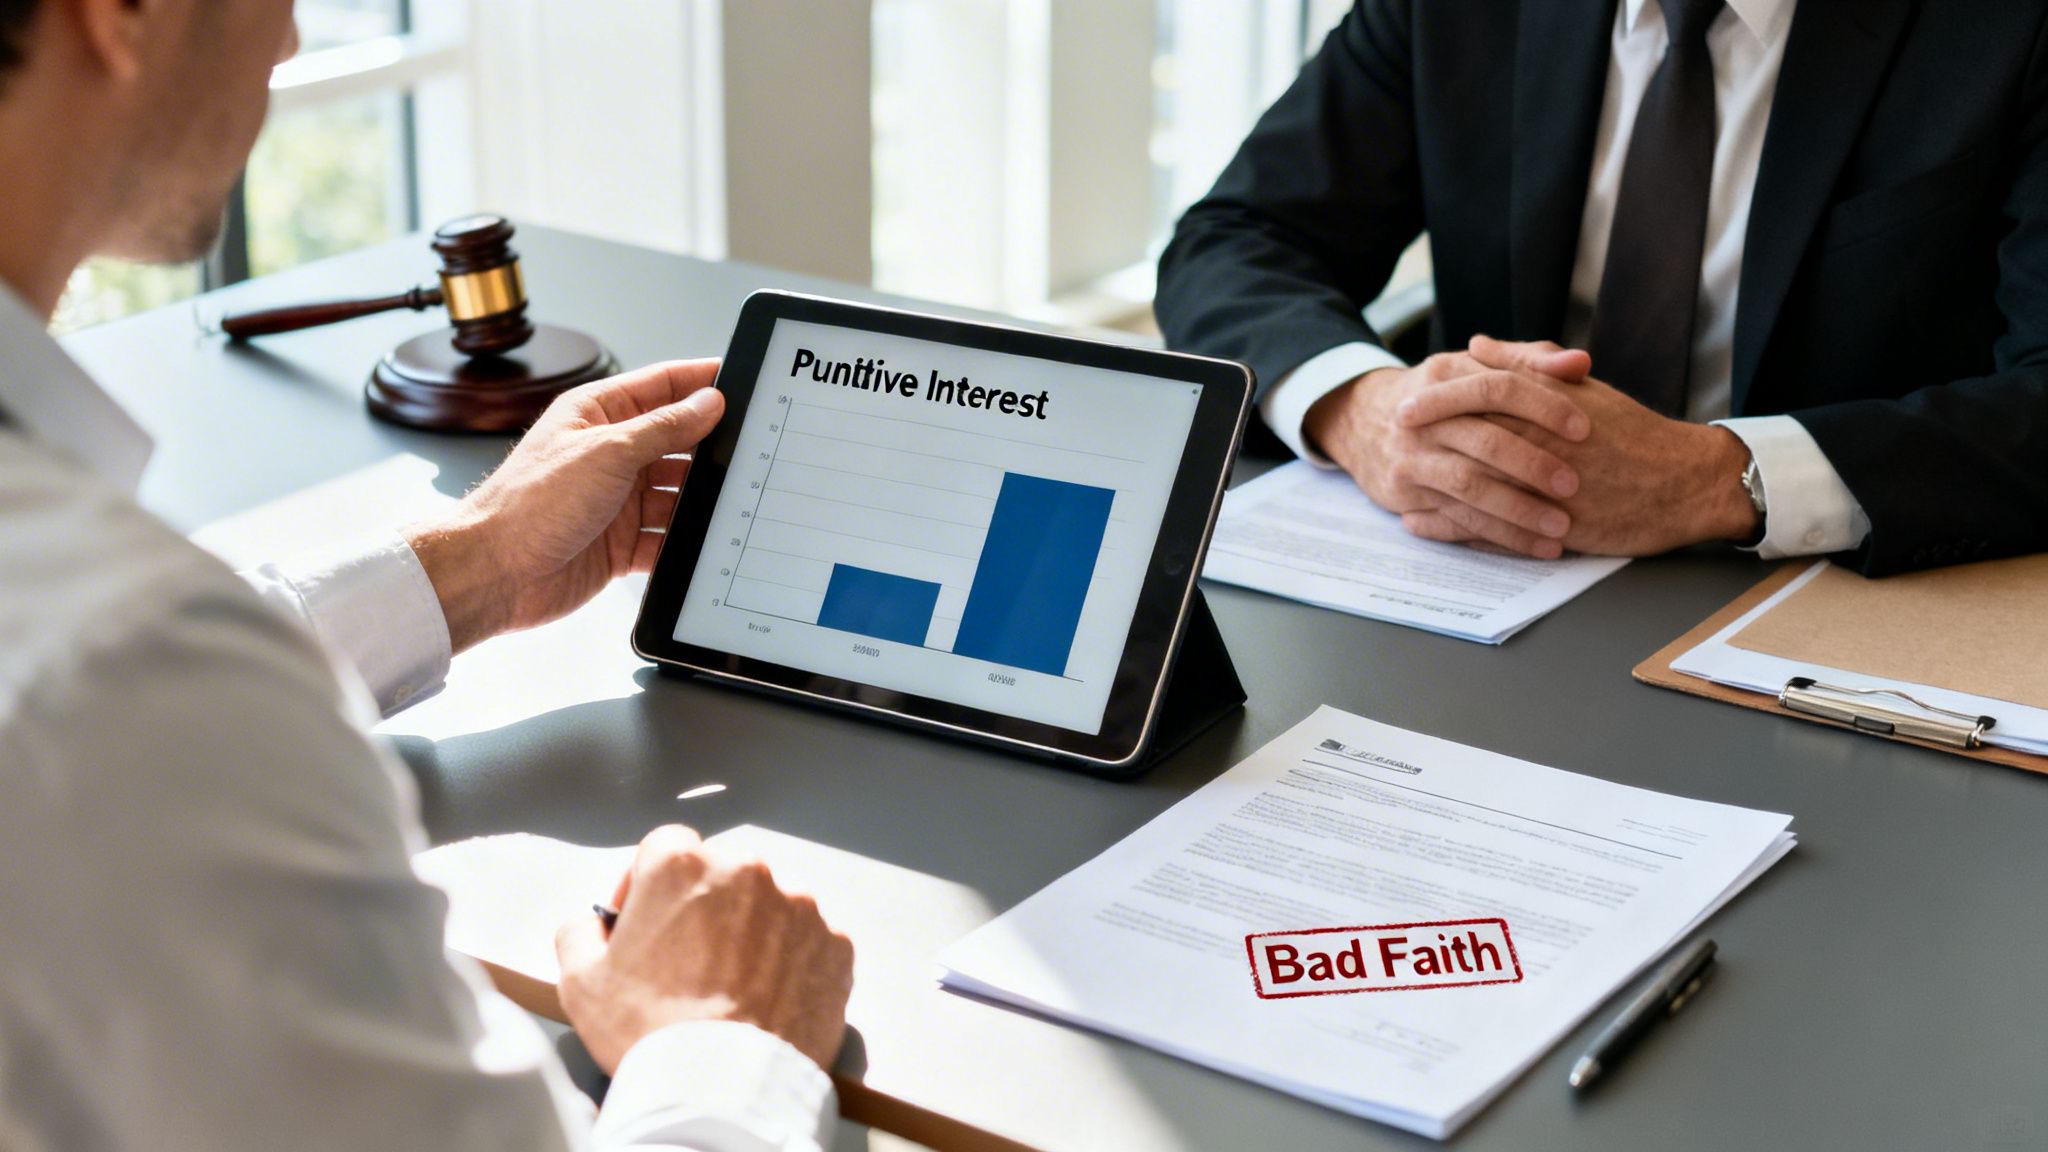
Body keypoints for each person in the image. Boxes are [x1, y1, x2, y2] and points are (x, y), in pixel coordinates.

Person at [0, 2, 854, 1149]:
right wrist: (722, 1045)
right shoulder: (120, 677)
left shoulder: (104, 651)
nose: (290, 41)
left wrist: (479, 564)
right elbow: (119, 696)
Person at [1156, 0, 2048, 575]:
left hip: (1842, 589)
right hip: (1485, 580)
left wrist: (1715, 479)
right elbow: (1235, 237)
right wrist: (1363, 410)